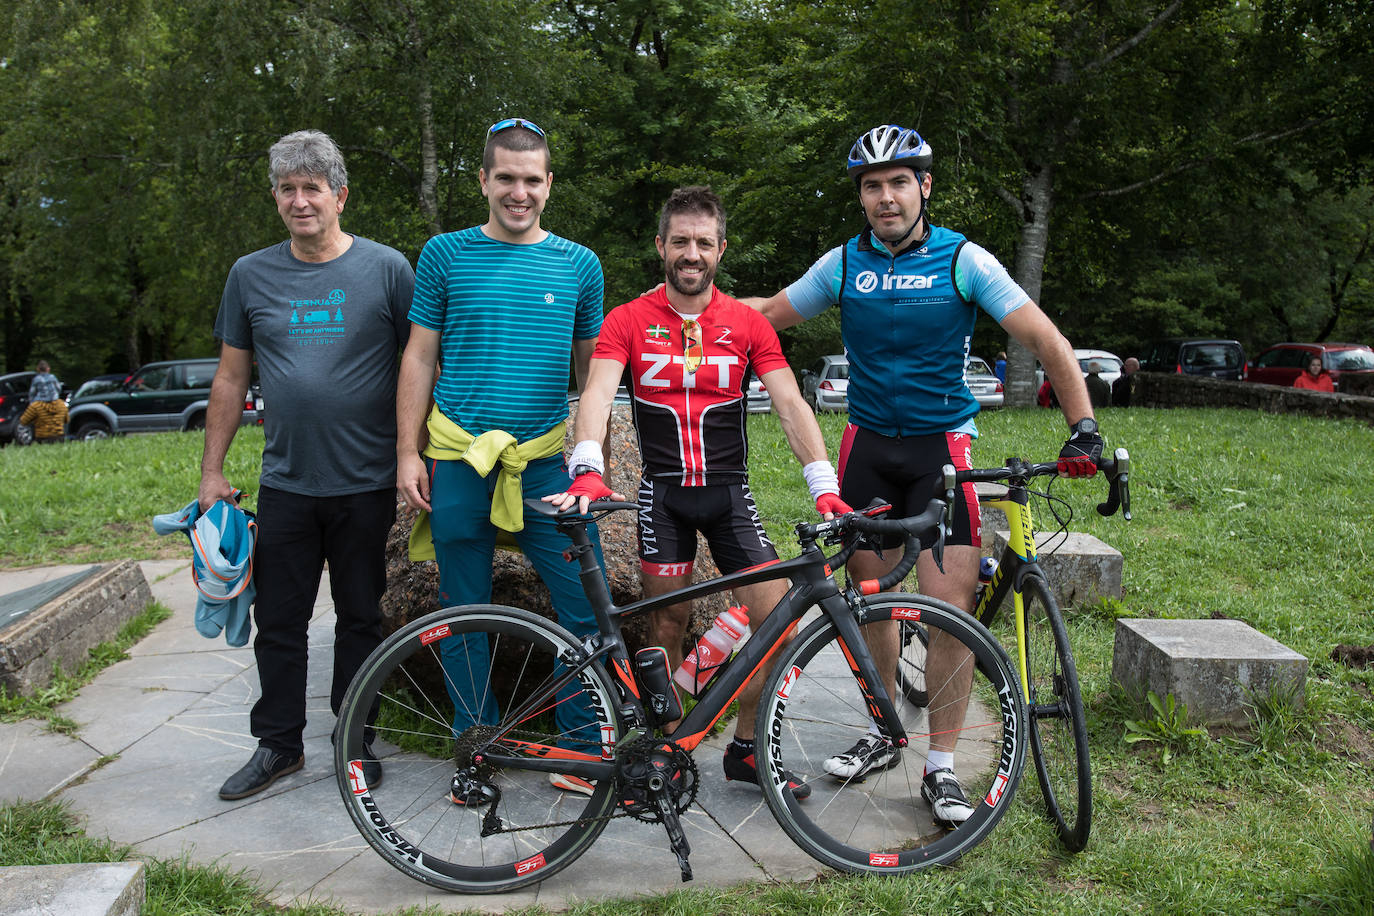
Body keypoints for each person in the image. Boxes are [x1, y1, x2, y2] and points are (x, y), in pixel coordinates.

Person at [746, 124, 1103, 828]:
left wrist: (1083, 426)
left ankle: (939, 767)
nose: (886, 197)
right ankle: (885, 728)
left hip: (944, 453)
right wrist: (681, 316)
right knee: (872, 600)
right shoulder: (845, 264)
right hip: (868, 449)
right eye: (873, 186)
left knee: (951, 614)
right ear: (862, 197)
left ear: (924, 187)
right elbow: (768, 316)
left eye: (899, 182)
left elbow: (1045, 340)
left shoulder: (964, 259)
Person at [547, 186, 848, 799]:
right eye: (679, 241)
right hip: (664, 498)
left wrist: (824, 485)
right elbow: (598, 395)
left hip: (729, 496)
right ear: (661, 246)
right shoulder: (628, 319)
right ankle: (665, 755)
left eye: (703, 243)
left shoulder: (747, 322)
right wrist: (587, 464)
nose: (691, 253)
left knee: (776, 619)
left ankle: (746, 749)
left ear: (720, 250)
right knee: (667, 625)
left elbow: (790, 404)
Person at [395, 118, 609, 801]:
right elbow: (420, 356)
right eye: (506, 178)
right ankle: (476, 749)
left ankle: (579, 750)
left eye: (532, 179)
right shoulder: (444, 255)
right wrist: (408, 452)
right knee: (463, 609)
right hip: (458, 457)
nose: (520, 192)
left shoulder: (579, 264)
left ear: (549, 185)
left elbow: (593, 372)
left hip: (545, 462)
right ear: (484, 180)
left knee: (583, 604)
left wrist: (591, 457)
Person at [202, 130, 415, 801]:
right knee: (280, 622)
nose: (300, 201)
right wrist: (212, 472)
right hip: (287, 481)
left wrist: (418, 455)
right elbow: (232, 378)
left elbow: (420, 366)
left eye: (312, 188)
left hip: (369, 480)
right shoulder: (250, 274)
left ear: (340, 195)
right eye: (288, 190)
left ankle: (354, 740)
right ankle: (278, 746)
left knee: (360, 617)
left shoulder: (387, 270)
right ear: (276, 198)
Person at [21, 359, 68, 442]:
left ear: (38, 369)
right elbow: (67, 420)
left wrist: (31, 403)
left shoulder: (36, 406)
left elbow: (23, 421)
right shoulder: (61, 405)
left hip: (42, 439)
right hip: (59, 439)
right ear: (48, 369)